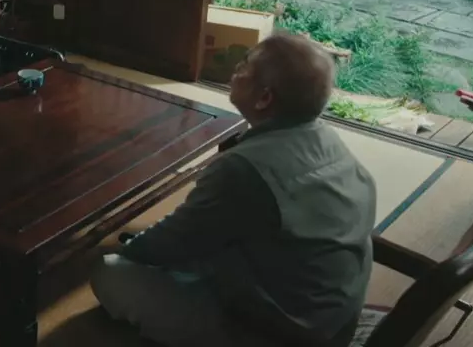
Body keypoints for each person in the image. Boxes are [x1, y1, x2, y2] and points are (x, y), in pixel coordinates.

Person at [90, 33, 378, 347]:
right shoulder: (329, 140)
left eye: (245, 64)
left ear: (264, 97)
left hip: (281, 332)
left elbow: (173, 240)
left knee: (110, 273)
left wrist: (130, 251)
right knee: (209, 244)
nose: (236, 69)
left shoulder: (244, 168)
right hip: (332, 320)